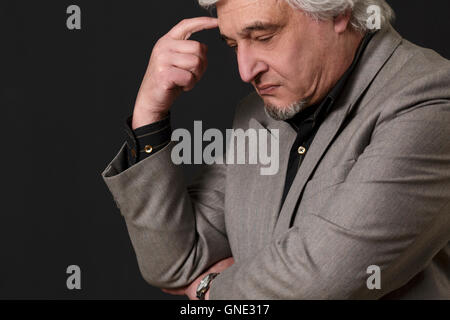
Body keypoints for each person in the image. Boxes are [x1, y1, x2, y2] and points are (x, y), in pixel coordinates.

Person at [102, 0, 450, 299]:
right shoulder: (257, 112)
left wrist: (210, 291)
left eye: (264, 37)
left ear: (339, 11)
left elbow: (321, 278)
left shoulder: (430, 98)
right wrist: (150, 115)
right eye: (233, 44)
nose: (244, 70)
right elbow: (173, 262)